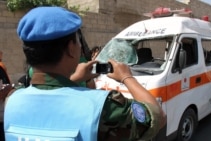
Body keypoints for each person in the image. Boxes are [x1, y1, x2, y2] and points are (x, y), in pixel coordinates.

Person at [4, 6, 166, 141]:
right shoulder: (103, 107)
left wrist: (74, 79)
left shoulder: (12, 99)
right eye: (78, 41)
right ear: (70, 48)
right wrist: (126, 77)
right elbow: (156, 117)